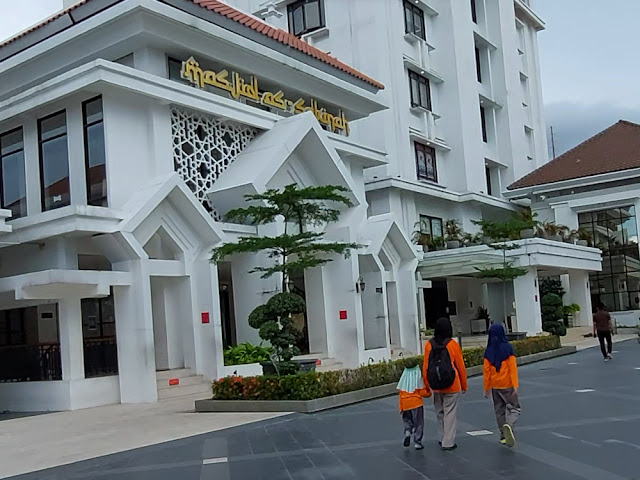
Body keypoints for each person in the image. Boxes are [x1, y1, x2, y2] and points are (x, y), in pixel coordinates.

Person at [422, 317, 467, 451]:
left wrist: (427, 386)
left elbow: (425, 367)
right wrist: (463, 385)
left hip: (435, 385)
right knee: (450, 413)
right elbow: (460, 367)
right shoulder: (452, 344)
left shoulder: (429, 345)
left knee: (439, 412)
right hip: (452, 384)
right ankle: (448, 442)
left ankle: (442, 437)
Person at [482, 323, 521, 447]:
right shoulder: (507, 348)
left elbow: (486, 372)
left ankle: (503, 436)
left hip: (495, 386)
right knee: (515, 408)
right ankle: (509, 425)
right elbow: (512, 368)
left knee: (499, 411)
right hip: (507, 385)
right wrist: (515, 385)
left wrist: (486, 388)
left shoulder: (488, 351)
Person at [398, 358, 431, 450]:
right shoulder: (417, 379)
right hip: (416, 404)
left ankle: (408, 432)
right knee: (418, 423)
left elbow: (400, 395)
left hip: (405, 405)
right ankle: (417, 442)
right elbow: (423, 393)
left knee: (407, 421)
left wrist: (400, 408)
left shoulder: (403, 381)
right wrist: (429, 392)